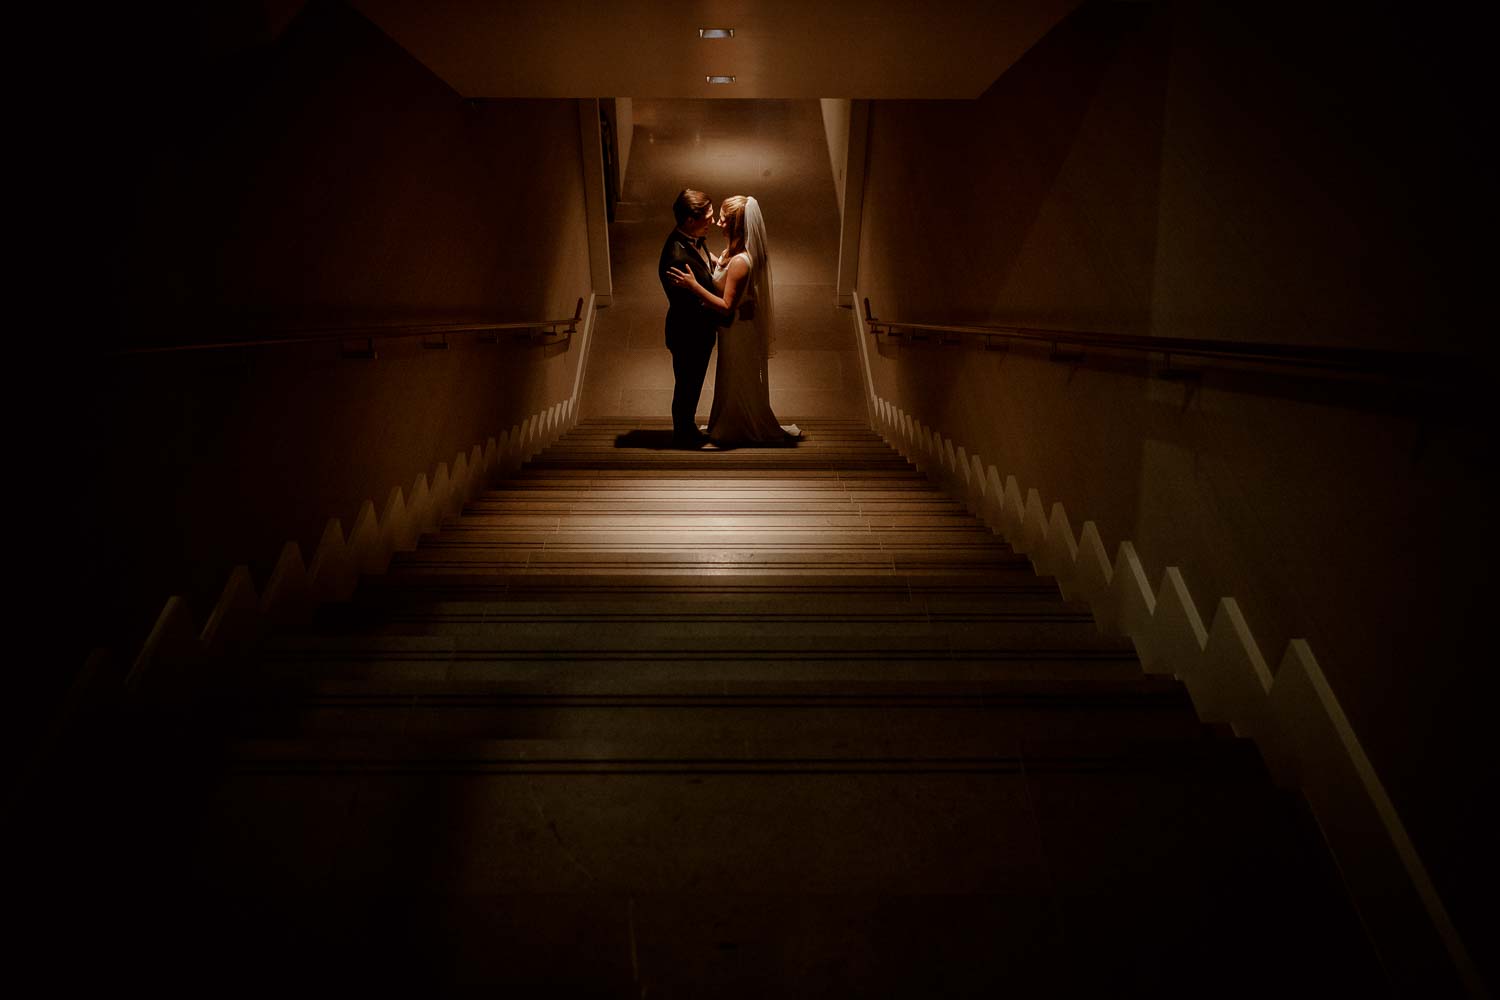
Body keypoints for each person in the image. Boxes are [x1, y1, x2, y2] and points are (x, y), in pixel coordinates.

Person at [667, 195, 800, 446]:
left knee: (737, 377)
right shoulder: (731, 252)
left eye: (722, 219)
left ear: (735, 226)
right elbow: (722, 269)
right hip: (731, 329)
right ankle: (728, 419)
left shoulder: (741, 261)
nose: (717, 222)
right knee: (728, 377)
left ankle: (742, 424)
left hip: (737, 330)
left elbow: (727, 307)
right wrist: (710, 260)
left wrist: (694, 286)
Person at [657, 188, 729, 448]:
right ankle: (683, 433)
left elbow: (702, 263)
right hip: (690, 335)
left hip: (696, 332)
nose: (712, 220)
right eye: (708, 216)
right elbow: (694, 306)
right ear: (690, 219)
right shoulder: (676, 258)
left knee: (691, 382)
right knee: (688, 384)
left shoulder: (692, 237)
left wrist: (714, 263)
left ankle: (685, 426)